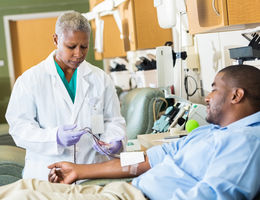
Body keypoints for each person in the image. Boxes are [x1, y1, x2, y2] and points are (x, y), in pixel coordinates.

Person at [1, 64, 260, 199]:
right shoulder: (208, 133)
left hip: (137, 197)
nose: (206, 96)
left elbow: (214, 196)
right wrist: (81, 170)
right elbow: (146, 159)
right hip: (126, 191)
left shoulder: (246, 143)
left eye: (214, 89)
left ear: (236, 95)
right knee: (24, 187)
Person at [5, 11, 126, 181]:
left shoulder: (100, 79)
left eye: (84, 47)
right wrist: (55, 137)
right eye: (71, 46)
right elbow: (19, 128)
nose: (78, 54)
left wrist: (114, 140)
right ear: (56, 40)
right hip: (46, 175)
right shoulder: (29, 80)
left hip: (92, 172)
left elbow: (113, 120)